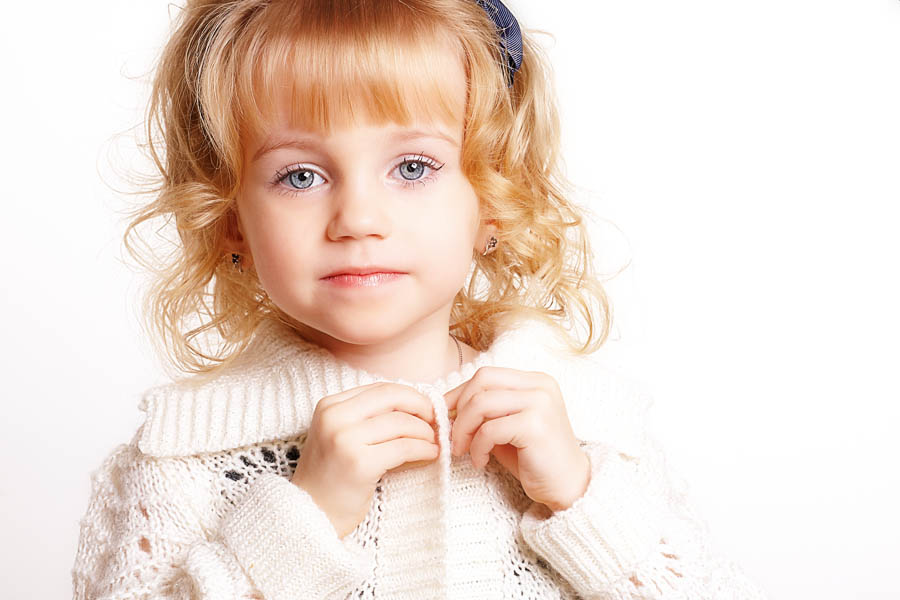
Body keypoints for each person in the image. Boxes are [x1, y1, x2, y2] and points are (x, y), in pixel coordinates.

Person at [72, 0, 770, 598]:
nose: (358, 219)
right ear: (231, 220)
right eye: (300, 175)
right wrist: (299, 524)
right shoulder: (183, 462)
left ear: (493, 198)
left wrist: (583, 499)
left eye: (412, 167)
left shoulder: (591, 431)